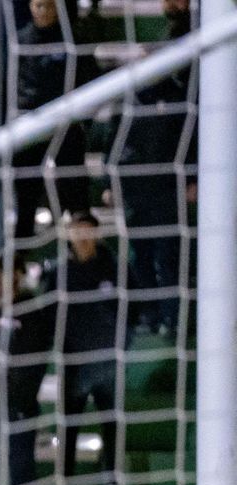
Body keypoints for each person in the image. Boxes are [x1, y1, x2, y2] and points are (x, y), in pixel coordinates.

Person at [113, 0, 194, 336]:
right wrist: (110, 180)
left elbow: (189, 143)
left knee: (168, 257)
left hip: (166, 190)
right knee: (141, 257)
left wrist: (191, 177)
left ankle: (174, 318)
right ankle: (149, 316)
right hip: (136, 190)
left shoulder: (177, 100)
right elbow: (115, 144)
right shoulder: (128, 100)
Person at [41, 210, 121, 485]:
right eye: (78, 230)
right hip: (73, 361)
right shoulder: (59, 272)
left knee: (111, 421)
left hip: (107, 361)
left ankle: (111, 480)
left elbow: (134, 306)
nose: (83, 237)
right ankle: (64, 480)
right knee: (69, 423)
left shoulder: (114, 267)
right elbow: (48, 313)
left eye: (89, 230)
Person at [12, 0, 98, 239]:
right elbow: (12, 83)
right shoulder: (20, 41)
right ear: (29, 7)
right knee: (27, 188)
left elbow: (88, 79)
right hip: (30, 124)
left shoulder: (73, 41)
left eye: (48, 6)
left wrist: (82, 118)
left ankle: (82, 236)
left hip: (65, 122)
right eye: (38, 6)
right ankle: (23, 246)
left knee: (75, 183)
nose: (43, 11)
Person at [0, 254, 56, 485]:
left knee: (20, 468)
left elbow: (34, 360)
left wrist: (18, 393)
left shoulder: (31, 311)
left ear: (19, 275)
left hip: (19, 403)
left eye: (8, 273)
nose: (1, 279)